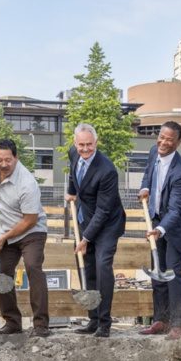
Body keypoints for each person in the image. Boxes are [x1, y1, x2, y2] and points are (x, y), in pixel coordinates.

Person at [137, 121, 181, 340]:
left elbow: (175, 210)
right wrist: (145, 187)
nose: (163, 142)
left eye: (169, 140)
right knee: (158, 273)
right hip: (156, 219)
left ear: (178, 143)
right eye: (161, 137)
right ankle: (160, 320)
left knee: (173, 273)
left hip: (176, 226)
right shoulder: (154, 151)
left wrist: (161, 229)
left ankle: (178, 325)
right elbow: (148, 173)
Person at [0, 138, 50, 337]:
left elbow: (29, 220)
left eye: (8, 160)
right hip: (6, 228)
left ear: (16, 158)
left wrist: (4, 236)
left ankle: (40, 324)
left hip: (31, 231)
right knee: (3, 274)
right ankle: (12, 322)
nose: (3, 164)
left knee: (32, 267)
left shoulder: (27, 184)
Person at [66, 123, 126, 338]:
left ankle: (104, 322)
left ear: (96, 143)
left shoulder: (107, 170)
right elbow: (73, 175)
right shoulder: (74, 152)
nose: (85, 149)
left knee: (102, 266)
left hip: (107, 223)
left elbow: (103, 210)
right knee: (87, 266)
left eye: (89, 145)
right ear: (75, 143)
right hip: (85, 217)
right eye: (81, 145)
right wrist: (71, 192)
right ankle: (92, 318)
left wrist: (86, 238)